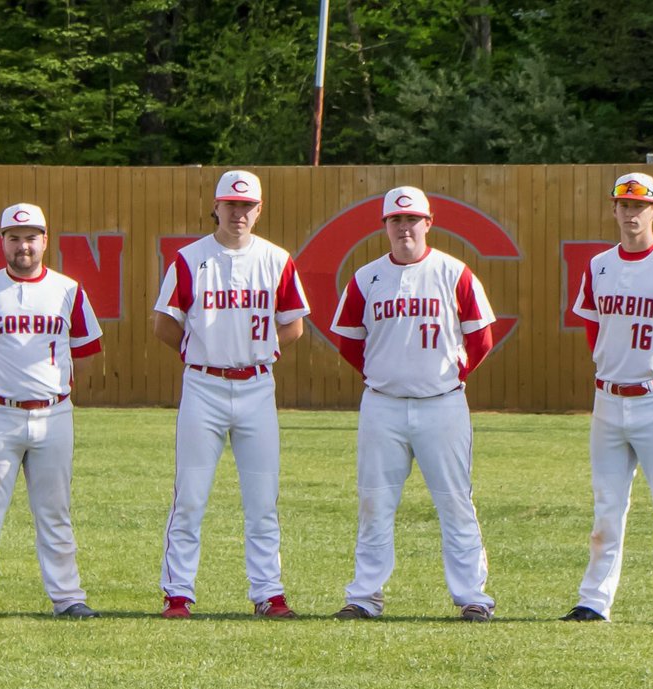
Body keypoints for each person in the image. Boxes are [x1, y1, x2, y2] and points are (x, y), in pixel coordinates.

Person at [330, 186, 497, 622]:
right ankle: (365, 596)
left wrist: (451, 376)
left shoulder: (454, 272)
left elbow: (480, 338)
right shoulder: (367, 277)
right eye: (395, 220)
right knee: (373, 502)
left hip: (441, 403)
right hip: (382, 404)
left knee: (455, 500)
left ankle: (473, 596)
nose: (404, 227)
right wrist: (380, 374)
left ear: (428, 222)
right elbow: (348, 341)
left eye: (412, 219)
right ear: (385, 226)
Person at [152, 169, 310, 619]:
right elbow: (164, 322)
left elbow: (293, 323)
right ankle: (178, 593)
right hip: (204, 383)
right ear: (216, 207)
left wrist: (258, 350)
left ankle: (268, 592)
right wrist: (198, 349)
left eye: (247, 206)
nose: (238, 213)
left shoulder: (276, 259)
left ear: (259, 210)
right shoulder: (189, 258)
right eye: (230, 205)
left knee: (262, 498)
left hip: (257, 384)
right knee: (192, 495)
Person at [563, 172, 653, 628]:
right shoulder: (599, 265)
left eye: (639, 206)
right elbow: (593, 326)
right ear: (613, 209)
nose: (631, 213)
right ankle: (594, 600)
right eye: (624, 205)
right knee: (606, 507)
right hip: (607, 399)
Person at [0, 202, 103, 620]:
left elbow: (87, 353)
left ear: (45, 240)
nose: (23, 246)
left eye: (31, 237)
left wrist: (59, 388)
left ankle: (68, 596)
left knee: (55, 510)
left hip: (53, 413)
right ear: (2, 242)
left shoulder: (68, 290)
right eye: (14, 238)